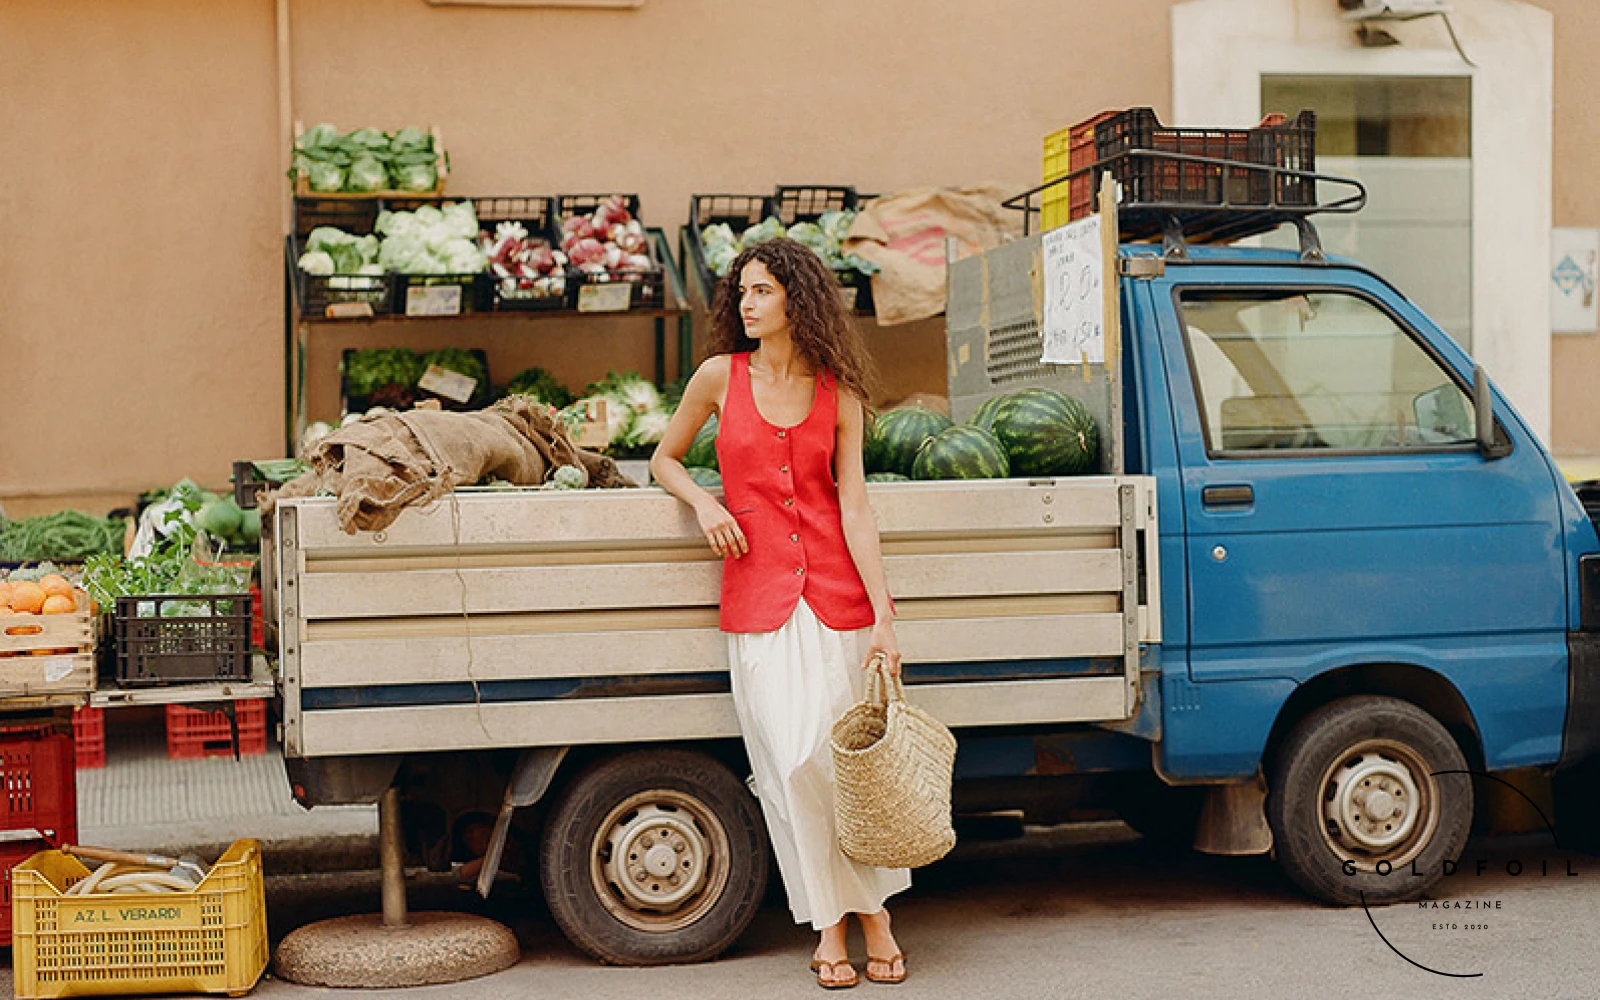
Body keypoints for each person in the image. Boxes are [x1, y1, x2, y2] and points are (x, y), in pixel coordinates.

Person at [651, 237, 910, 989]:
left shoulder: (839, 392)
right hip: (759, 600)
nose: (746, 303)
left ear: (799, 299)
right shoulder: (718, 377)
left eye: (761, 290)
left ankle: (865, 919)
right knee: (793, 763)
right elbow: (664, 458)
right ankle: (837, 916)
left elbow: (855, 507)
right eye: (742, 292)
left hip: (839, 602)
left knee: (847, 770)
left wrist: (885, 617)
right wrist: (705, 504)